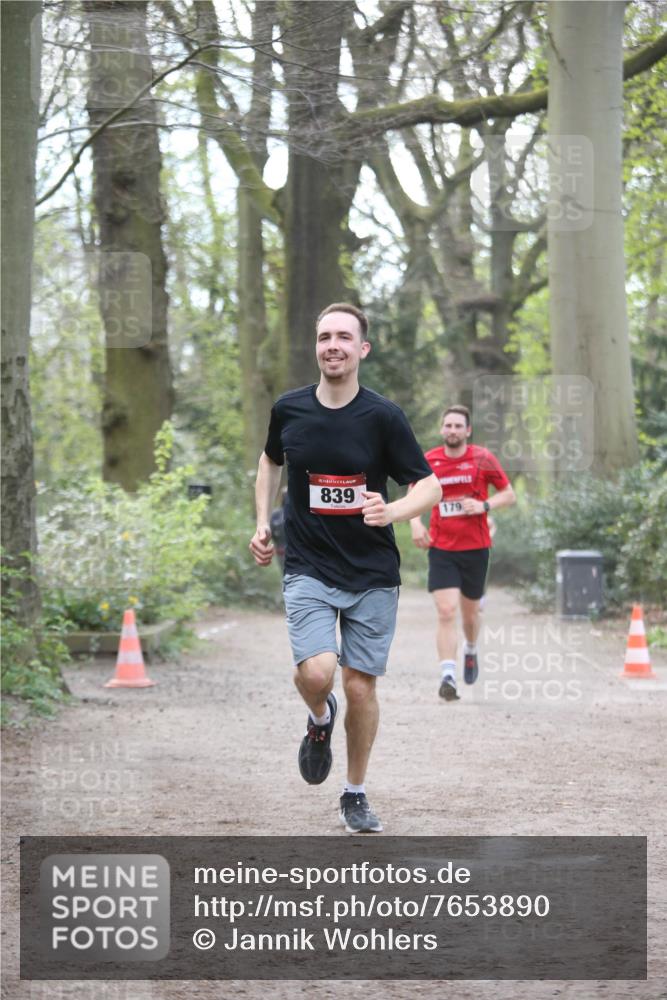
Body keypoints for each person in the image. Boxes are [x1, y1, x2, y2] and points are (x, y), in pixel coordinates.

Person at [249, 303, 440, 833]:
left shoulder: (383, 417)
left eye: (343, 337)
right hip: (308, 563)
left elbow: (429, 485)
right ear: (317, 346)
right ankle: (319, 717)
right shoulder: (289, 409)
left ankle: (354, 793)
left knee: (359, 687)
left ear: (362, 349)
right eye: (324, 337)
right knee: (317, 673)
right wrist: (262, 523)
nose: (332, 345)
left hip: (372, 571)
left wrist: (393, 511)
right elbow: (269, 461)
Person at [410, 405, 515, 701]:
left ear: (468, 430)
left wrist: (484, 505)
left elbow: (509, 494)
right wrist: (415, 523)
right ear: (442, 429)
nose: (453, 430)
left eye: (458, 426)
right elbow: (414, 496)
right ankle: (448, 676)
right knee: (446, 611)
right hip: (441, 548)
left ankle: (470, 648)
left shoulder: (482, 458)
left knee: (470, 615)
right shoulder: (429, 460)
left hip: (476, 548)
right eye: (448, 425)